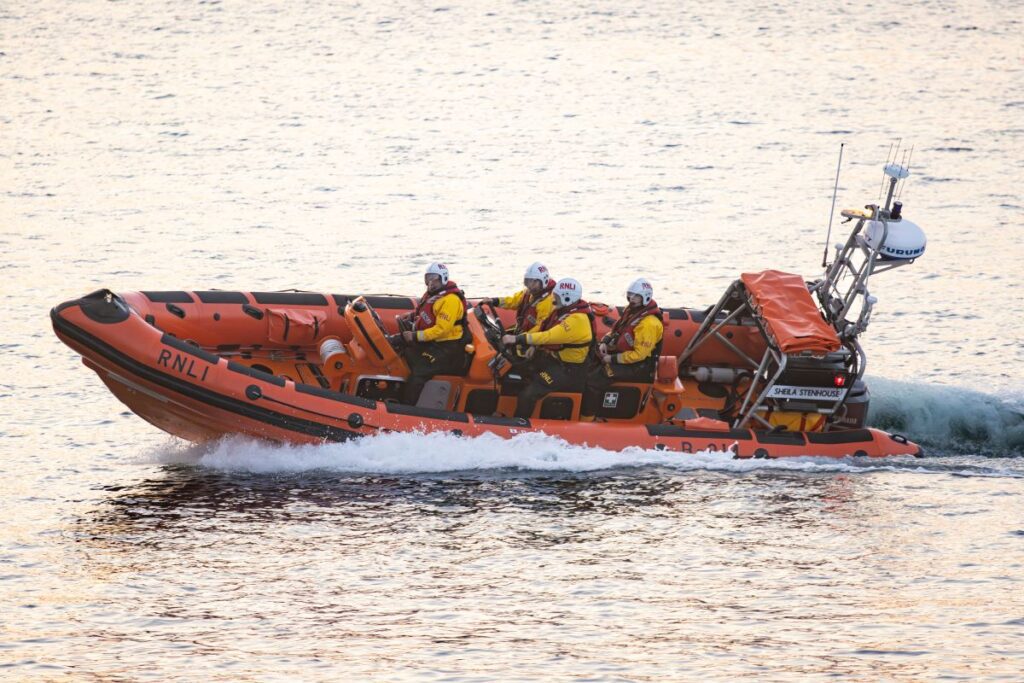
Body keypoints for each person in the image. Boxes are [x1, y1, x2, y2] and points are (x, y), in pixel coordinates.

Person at [501, 278, 595, 419]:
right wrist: (532, 344)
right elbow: (542, 327)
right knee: (518, 367)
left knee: (528, 393)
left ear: (567, 298)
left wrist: (517, 339)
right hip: (554, 359)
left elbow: (549, 336)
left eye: (556, 297)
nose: (553, 300)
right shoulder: (562, 311)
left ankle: (519, 425)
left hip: (569, 369)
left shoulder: (577, 320)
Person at [580, 277, 664, 420]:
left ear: (645, 297)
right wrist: (605, 342)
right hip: (625, 356)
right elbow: (616, 330)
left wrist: (611, 359)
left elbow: (639, 355)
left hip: (638, 366)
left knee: (594, 380)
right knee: (590, 360)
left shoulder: (649, 324)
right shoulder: (632, 311)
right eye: (630, 294)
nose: (631, 298)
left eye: (636, 296)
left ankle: (587, 418)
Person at [398, 263, 470, 405]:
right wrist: (412, 316)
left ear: (443, 278)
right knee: (402, 350)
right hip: (433, 342)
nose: (431, 283)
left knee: (419, 372)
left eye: (434, 279)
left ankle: (406, 407)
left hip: (447, 347)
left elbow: (441, 330)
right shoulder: (433, 295)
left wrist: (414, 336)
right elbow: (427, 313)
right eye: (428, 279)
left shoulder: (451, 300)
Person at [485, 262, 556, 334]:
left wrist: (521, 338)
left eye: (533, 282)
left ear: (544, 281)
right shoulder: (528, 294)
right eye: (528, 282)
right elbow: (513, 301)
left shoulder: (547, 301)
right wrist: (495, 301)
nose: (530, 286)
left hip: (533, 340)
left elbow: (540, 328)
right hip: (523, 332)